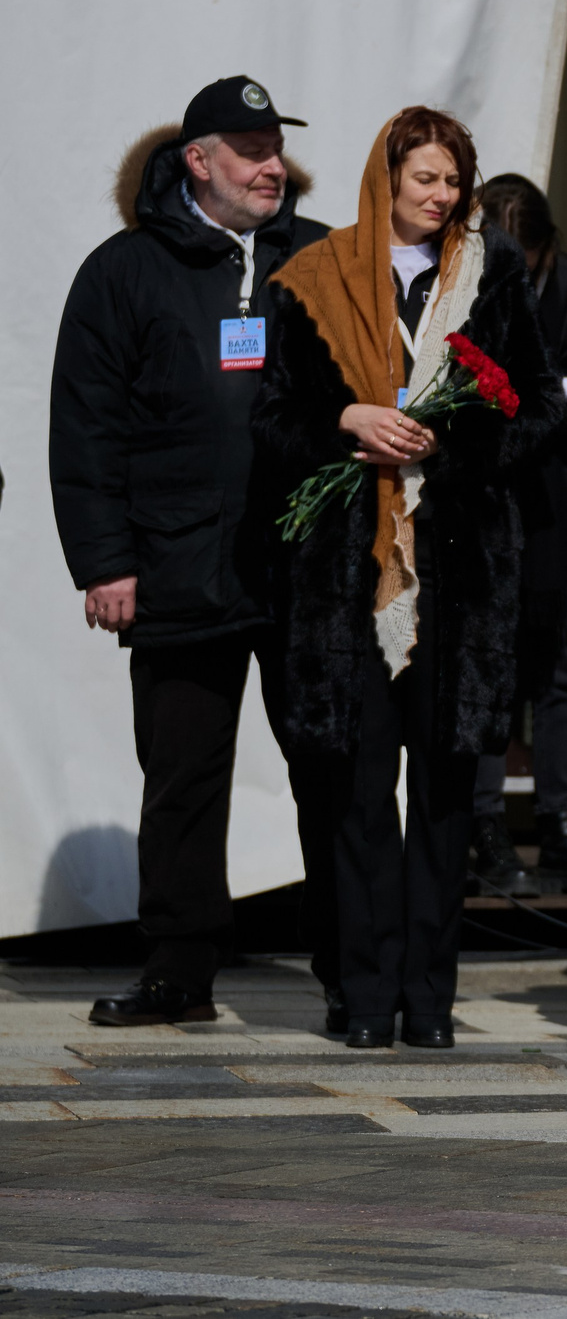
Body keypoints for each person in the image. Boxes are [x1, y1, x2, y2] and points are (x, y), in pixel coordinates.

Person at [256, 107, 559, 1049]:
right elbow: (271, 421)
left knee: (442, 792)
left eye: (454, 180)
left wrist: (449, 445)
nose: (441, 195)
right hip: (347, 584)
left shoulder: (491, 272)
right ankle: (363, 996)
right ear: (386, 177)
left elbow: (537, 409)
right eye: (425, 177)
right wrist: (347, 421)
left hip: (459, 577)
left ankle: (428, 1001)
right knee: (354, 794)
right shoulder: (313, 277)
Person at [50, 77, 330, 1027]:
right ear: (197, 160)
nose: (271, 165)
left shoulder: (322, 255)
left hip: (303, 569)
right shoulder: (124, 270)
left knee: (329, 767)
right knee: (182, 777)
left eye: (275, 147)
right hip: (177, 565)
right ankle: (178, 969)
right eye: (250, 150)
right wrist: (104, 560)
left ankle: (353, 967)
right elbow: (86, 425)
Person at [467, 177, 567, 899]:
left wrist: (535, 400)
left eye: (525, 264)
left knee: (562, 670)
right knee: (488, 670)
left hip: (551, 500)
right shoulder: (461, 284)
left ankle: (561, 825)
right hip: (483, 502)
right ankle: (485, 827)